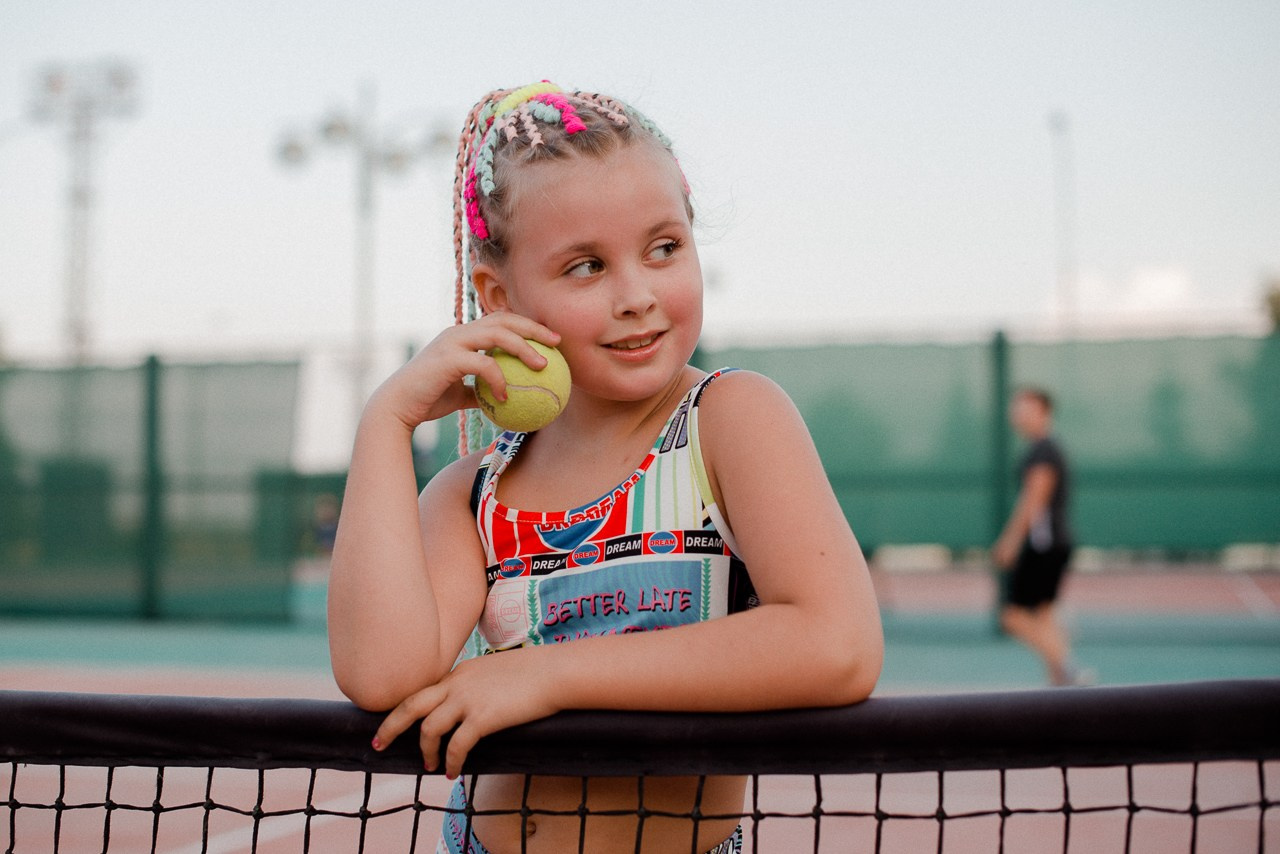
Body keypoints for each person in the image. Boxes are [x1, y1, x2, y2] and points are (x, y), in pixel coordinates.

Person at [326, 81, 883, 853]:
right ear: (500, 296)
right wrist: (386, 424)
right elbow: (381, 676)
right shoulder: (473, 495)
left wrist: (546, 676)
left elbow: (837, 646)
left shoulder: (731, 421)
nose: (637, 296)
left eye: (664, 248)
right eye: (586, 267)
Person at [992, 387, 1091, 687]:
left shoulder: (1043, 451)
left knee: (1012, 616)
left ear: (1044, 412)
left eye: (1027, 408)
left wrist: (1009, 541)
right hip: (1054, 543)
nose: (1019, 414)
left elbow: (1034, 500)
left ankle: (1068, 666)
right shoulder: (1044, 448)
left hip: (1044, 546)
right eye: (1016, 407)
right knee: (1045, 615)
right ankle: (1059, 685)